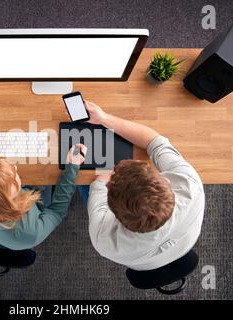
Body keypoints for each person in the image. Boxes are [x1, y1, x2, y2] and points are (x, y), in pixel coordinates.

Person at [82, 101, 205, 270]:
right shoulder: (191, 187)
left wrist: (104, 177)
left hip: (151, 258)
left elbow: (99, 184)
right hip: (179, 245)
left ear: (113, 211)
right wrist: (104, 118)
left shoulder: (103, 239)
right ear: (166, 182)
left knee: (83, 184)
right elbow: (155, 142)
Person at [0, 132, 87, 250]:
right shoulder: (30, 233)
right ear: (8, 201)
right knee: (44, 187)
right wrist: (72, 167)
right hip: (15, 237)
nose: (16, 168)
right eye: (13, 174)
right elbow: (56, 211)